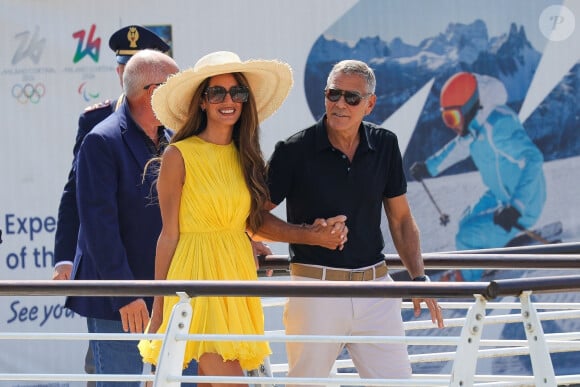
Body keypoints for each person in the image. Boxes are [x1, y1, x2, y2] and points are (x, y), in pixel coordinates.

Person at [137, 51, 347, 386]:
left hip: (236, 277)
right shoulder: (179, 154)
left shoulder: (246, 156)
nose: (228, 100)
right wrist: (159, 307)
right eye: (217, 92)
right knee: (231, 380)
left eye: (237, 92)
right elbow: (169, 235)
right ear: (202, 101)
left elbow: (250, 221)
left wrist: (301, 233)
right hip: (197, 278)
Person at [264, 59, 444, 385]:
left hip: (377, 291)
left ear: (370, 104)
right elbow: (255, 218)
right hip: (314, 293)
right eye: (334, 94)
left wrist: (418, 276)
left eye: (352, 98)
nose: (340, 104)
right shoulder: (293, 150)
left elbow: (401, 219)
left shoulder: (385, 144)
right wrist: (310, 236)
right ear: (325, 96)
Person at [51, 25, 173, 386]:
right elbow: (86, 206)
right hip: (118, 289)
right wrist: (66, 258)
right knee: (116, 377)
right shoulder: (99, 132)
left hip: (164, 287)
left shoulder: (172, 134)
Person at [410, 72, 546, 281]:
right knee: (466, 222)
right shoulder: (475, 125)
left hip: (523, 202)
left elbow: (533, 159)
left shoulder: (497, 127)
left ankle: (466, 279)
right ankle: (483, 258)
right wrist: (429, 168)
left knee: (466, 237)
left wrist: (516, 207)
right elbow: (456, 148)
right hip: (500, 194)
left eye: (453, 117)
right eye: (447, 119)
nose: (452, 125)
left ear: (469, 107)